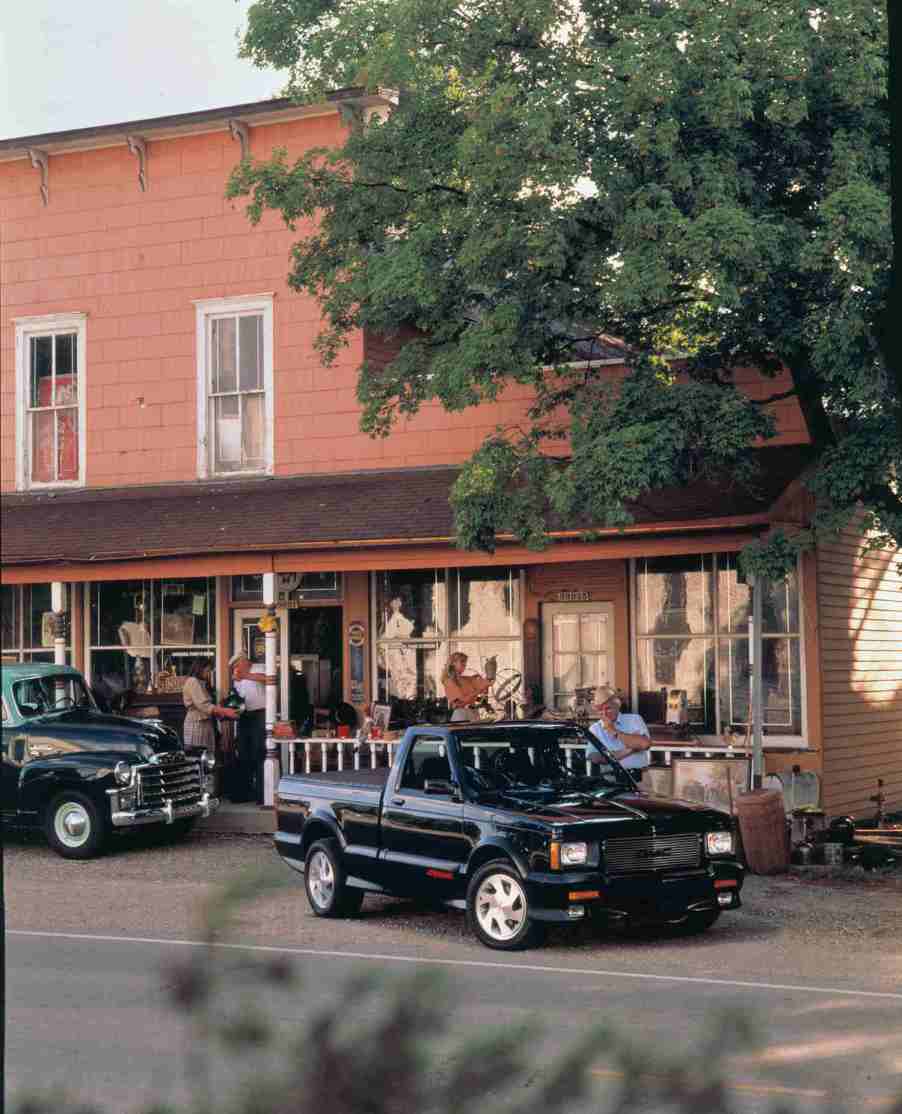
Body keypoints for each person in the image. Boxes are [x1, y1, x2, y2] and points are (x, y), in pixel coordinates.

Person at [587, 685, 651, 779]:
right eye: (600, 710)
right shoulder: (595, 728)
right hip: (611, 780)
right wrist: (629, 749)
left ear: (617, 706)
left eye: (608, 708)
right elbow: (594, 757)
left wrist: (614, 731)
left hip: (639, 779)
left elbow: (645, 744)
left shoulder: (634, 719)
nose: (604, 713)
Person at [229, 651, 268, 804]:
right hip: (245, 715)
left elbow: (269, 680)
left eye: (238, 664)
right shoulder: (237, 676)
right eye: (235, 666)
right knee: (244, 752)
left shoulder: (260, 667)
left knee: (260, 752)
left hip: (261, 714)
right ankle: (244, 793)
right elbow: (240, 696)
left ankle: (262, 794)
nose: (237, 668)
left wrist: (245, 675)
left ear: (244, 661)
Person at [182, 657, 238, 755]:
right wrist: (225, 711)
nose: (208, 674)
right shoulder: (192, 681)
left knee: (208, 757)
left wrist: (221, 714)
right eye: (207, 670)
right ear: (199, 668)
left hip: (206, 724)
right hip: (197, 724)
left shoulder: (202, 683)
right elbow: (203, 705)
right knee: (199, 756)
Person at [441, 652, 496, 722]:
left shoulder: (466, 679)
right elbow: (460, 702)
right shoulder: (449, 681)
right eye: (462, 661)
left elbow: (484, 684)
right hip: (461, 714)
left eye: (465, 662)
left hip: (473, 713)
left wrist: (490, 674)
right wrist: (479, 690)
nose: (464, 665)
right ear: (453, 663)